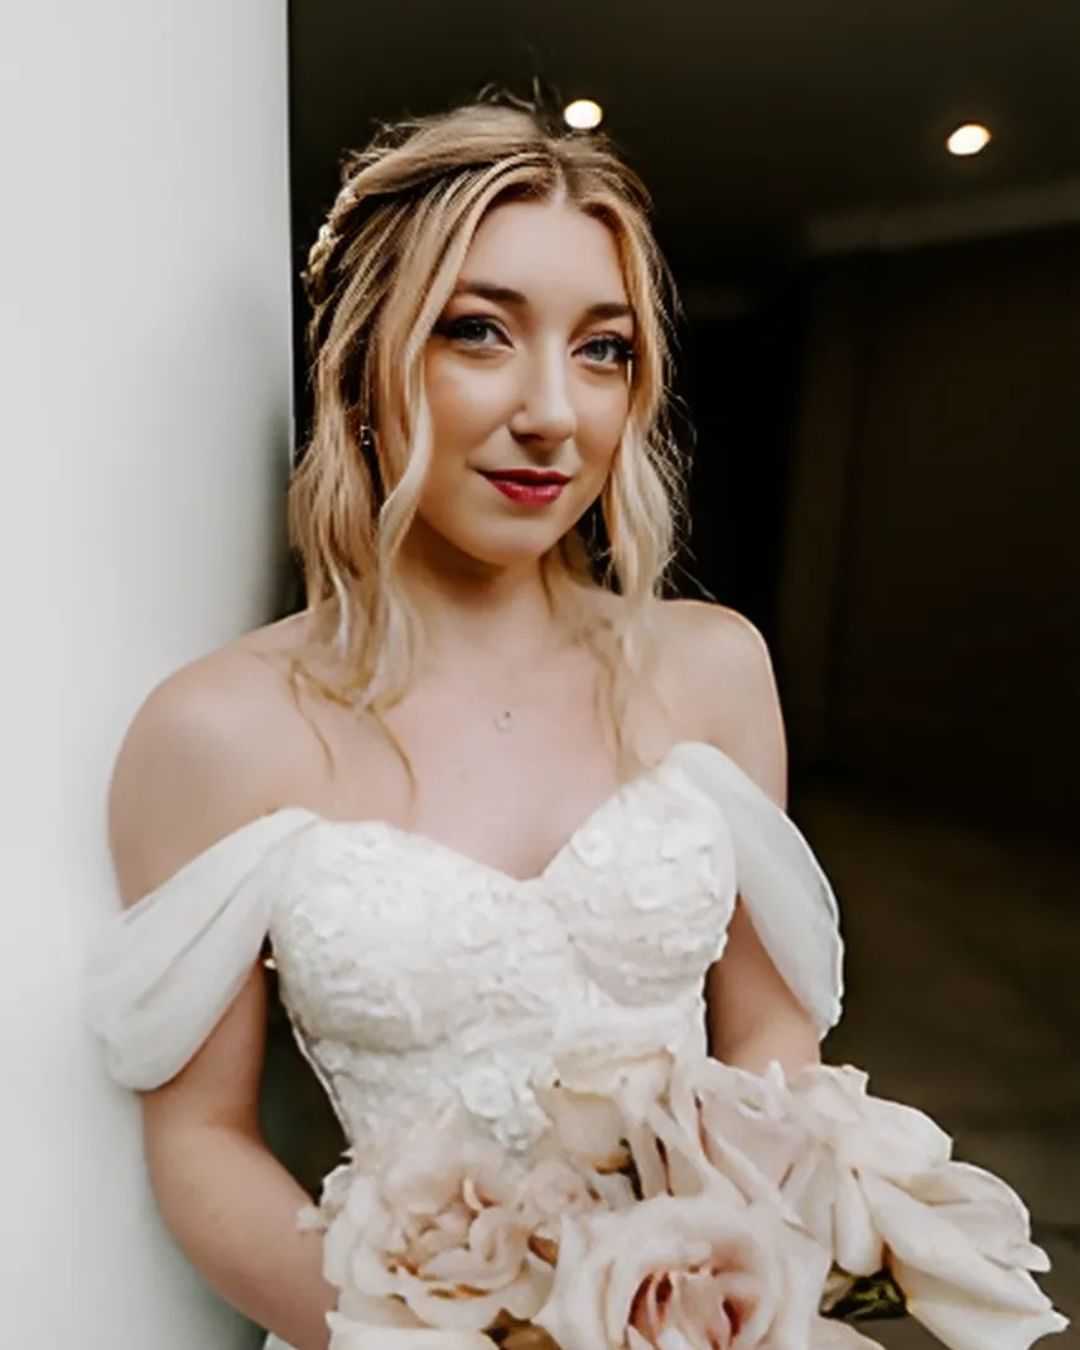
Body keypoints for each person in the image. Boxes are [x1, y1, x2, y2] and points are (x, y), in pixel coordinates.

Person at [85, 98, 843, 1350]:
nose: (554, 411)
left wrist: (731, 1273)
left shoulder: (713, 669)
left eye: (602, 349)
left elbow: (771, 1029)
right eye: (479, 331)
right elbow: (201, 1142)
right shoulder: (218, 730)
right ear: (364, 366)